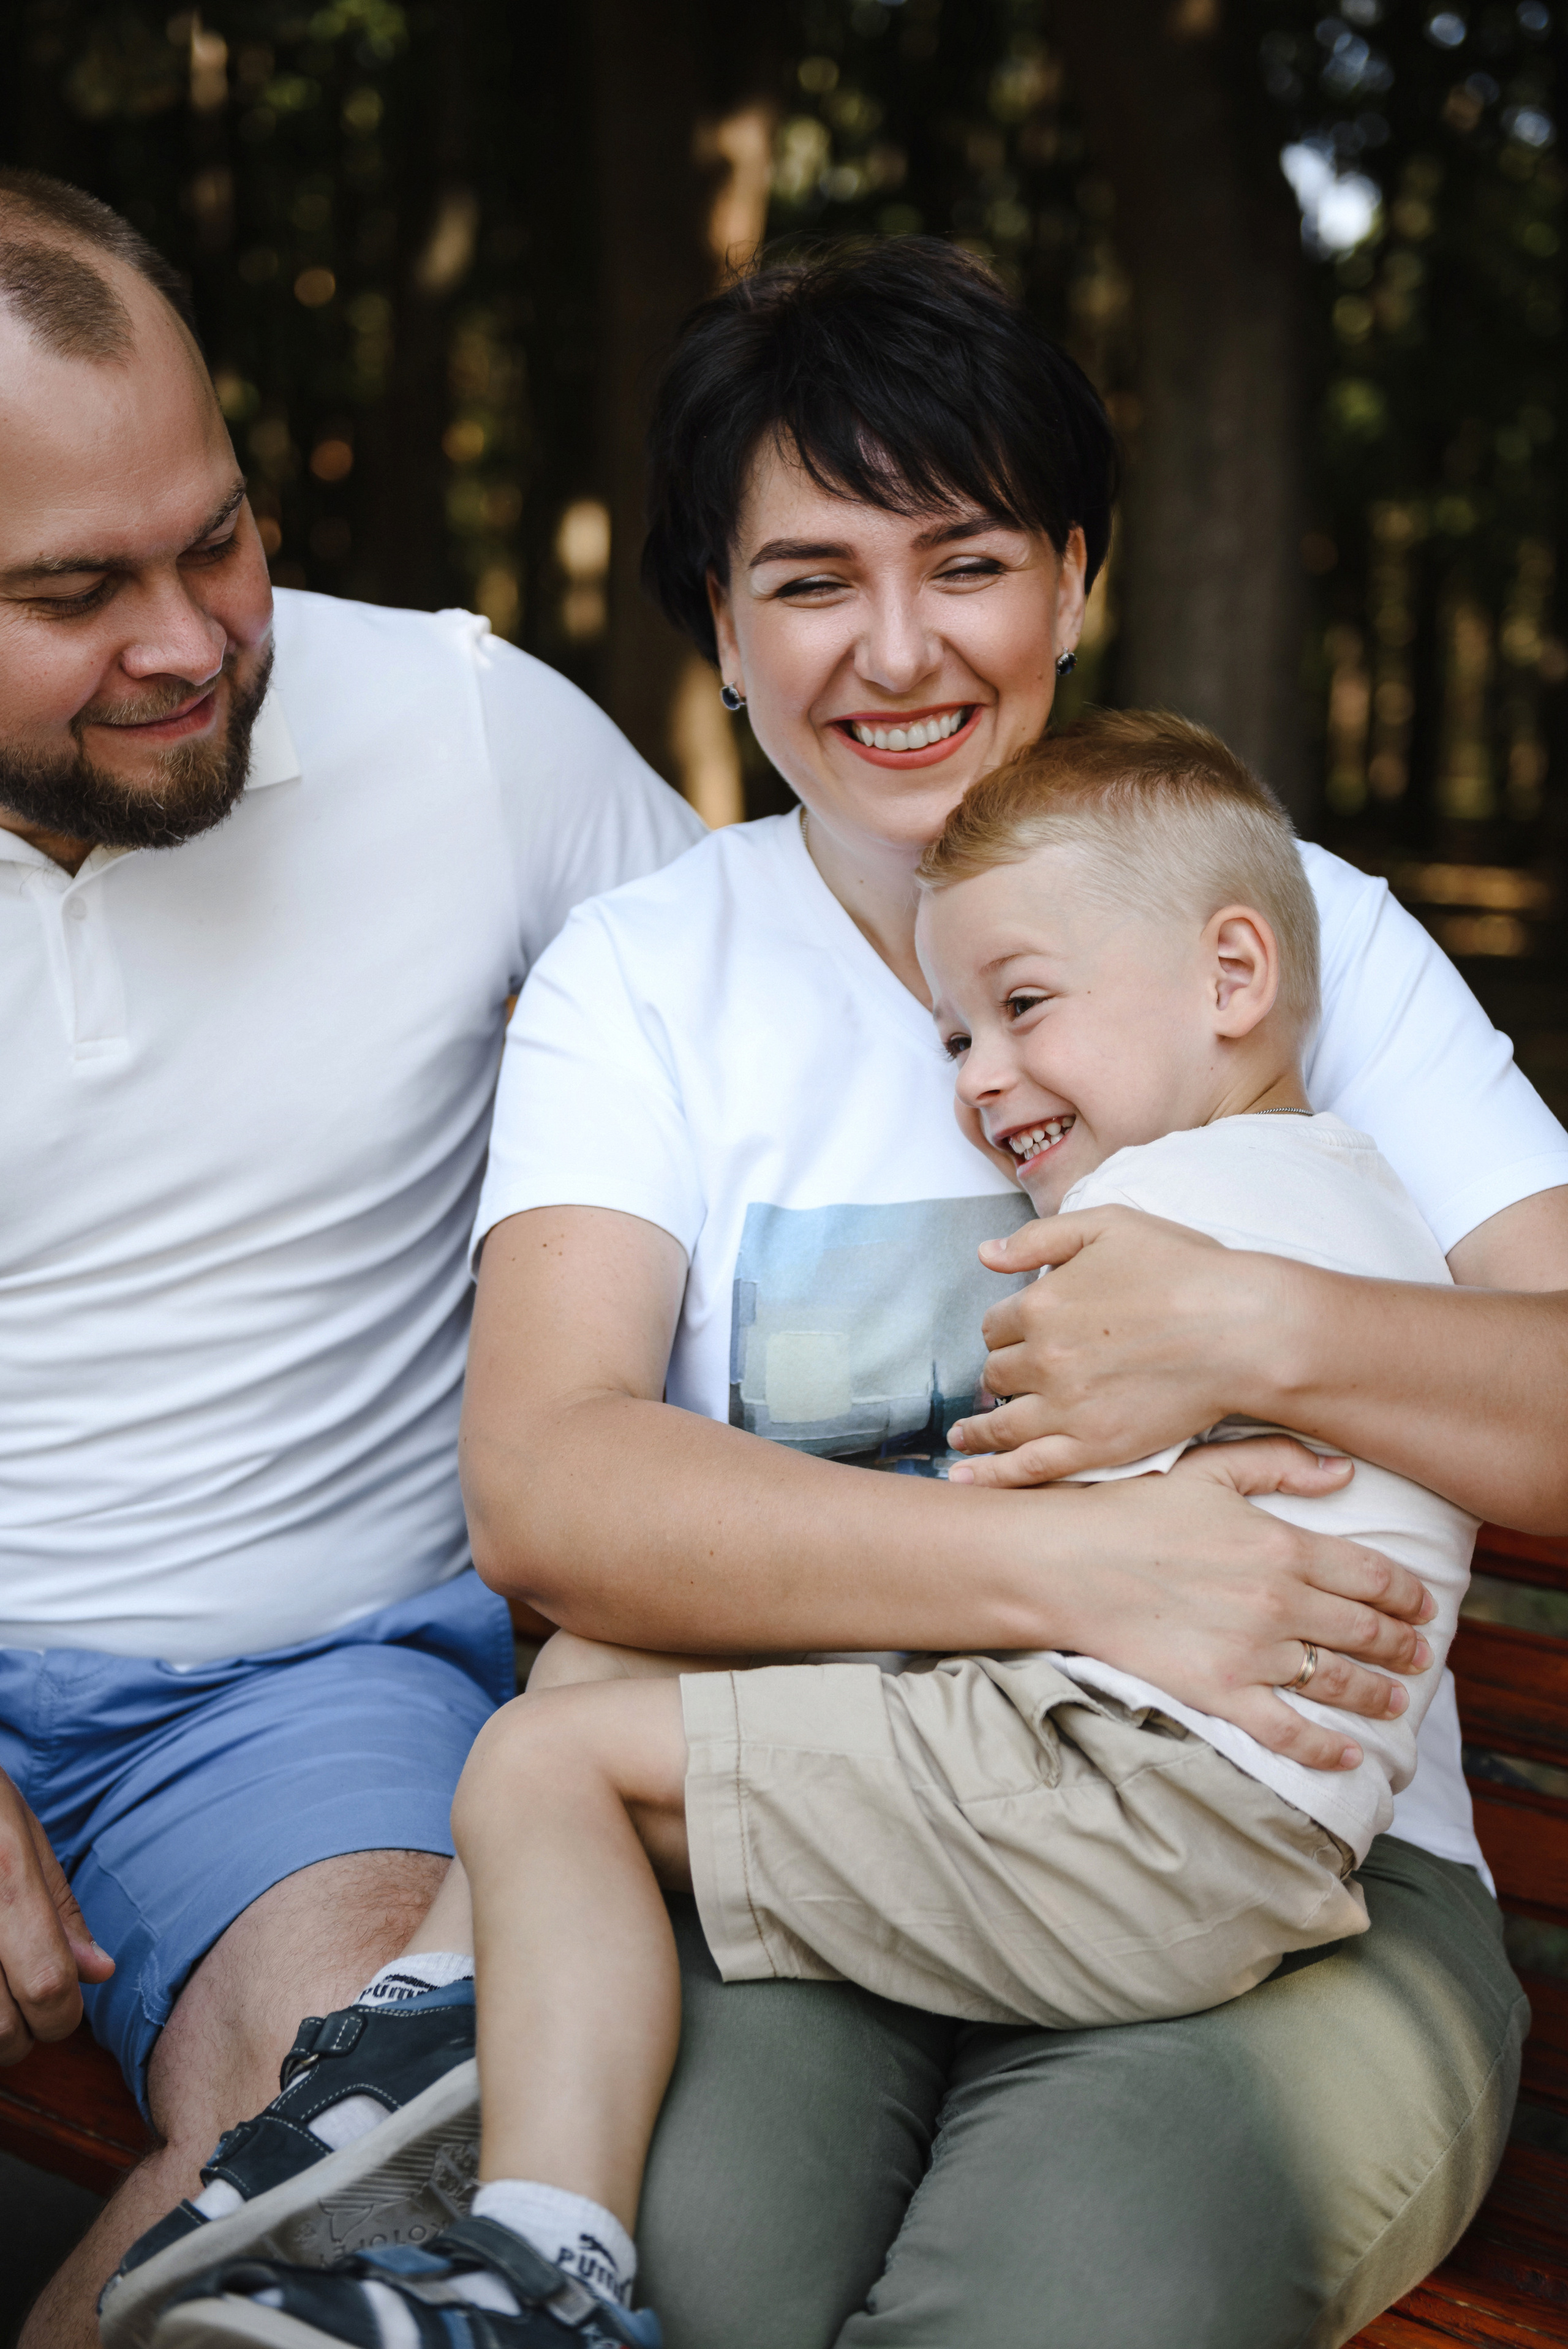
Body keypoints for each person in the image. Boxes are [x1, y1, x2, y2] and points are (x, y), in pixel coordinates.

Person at [111, 238, 1564, 2349]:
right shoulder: (653, 978)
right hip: (816, 1827)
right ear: (717, 621)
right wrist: (1083, 1574)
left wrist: (1258, 1324)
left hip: (1293, 1854)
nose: (898, 650)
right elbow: (549, 1483)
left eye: (965, 561)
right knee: (689, 2283)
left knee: (1074, 2298)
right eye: (807, 579)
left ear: (1074, 576)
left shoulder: (1286, 923)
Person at [0, 169, 700, 2349]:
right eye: (75, 587)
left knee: (378, 2104)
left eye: (217, 536)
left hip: (300, 1695)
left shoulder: (470, 738)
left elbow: (790, 1067)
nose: (196, 639)